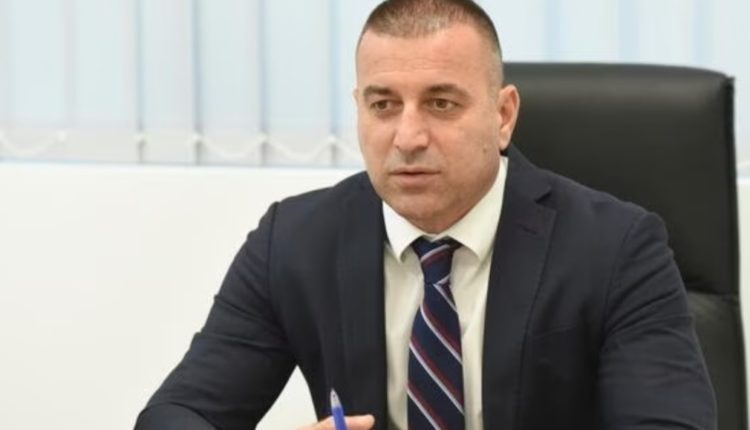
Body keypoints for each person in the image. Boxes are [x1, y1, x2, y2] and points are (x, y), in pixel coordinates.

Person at [135, 0, 716, 429]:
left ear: (503, 116)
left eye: (441, 103)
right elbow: (178, 413)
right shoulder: (293, 242)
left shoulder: (617, 248)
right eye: (383, 104)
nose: (408, 137)